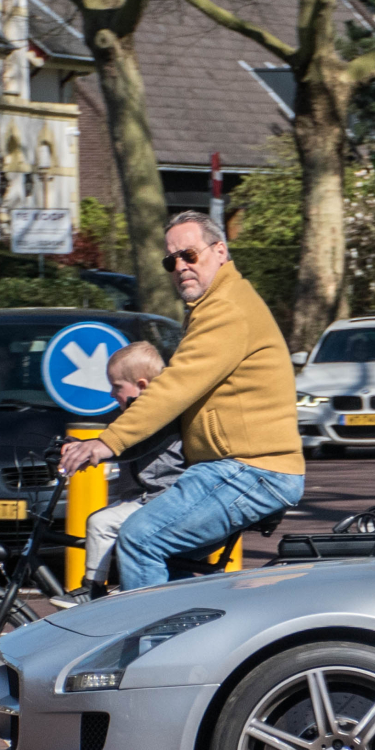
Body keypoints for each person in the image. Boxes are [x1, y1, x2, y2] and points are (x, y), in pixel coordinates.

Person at [55, 211, 304, 589]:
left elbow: (175, 386)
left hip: (250, 470)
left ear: (220, 251)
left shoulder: (227, 309)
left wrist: (107, 443)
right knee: (175, 570)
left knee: (141, 538)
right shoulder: (214, 306)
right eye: (171, 261)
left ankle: (154, 646)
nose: (181, 266)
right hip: (226, 469)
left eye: (190, 254)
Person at [69, 342, 184, 597]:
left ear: (142, 386)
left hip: (160, 497)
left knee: (101, 523)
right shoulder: (137, 415)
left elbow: (127, 446)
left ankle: (93, 590)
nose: (112, 394)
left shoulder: (155, 415)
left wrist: (93, 452)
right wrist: (79, 445)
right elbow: (111, 435)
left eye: (117, 387)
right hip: (145, 496)